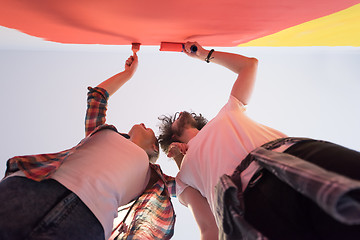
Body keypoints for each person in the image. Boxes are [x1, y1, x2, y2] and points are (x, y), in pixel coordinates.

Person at [158, 42, 360, 240]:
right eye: (173, 120)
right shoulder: (183, 177)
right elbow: (208, 228)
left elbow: (249, 66)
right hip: (244, 204)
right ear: (172, 137)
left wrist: (204, 54)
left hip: (291, 154)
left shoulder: (226, 112)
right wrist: (179, 160)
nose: (181, 113)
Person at [0, 52, 176, 240]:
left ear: (154, 148)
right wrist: (128, 73)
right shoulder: (101, 133)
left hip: (86, 222)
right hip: (33, 189)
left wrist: (183, 151)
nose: (143, 123)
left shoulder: (153, 179)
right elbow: (98, 97)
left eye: (148, 129)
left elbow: (194, 182)